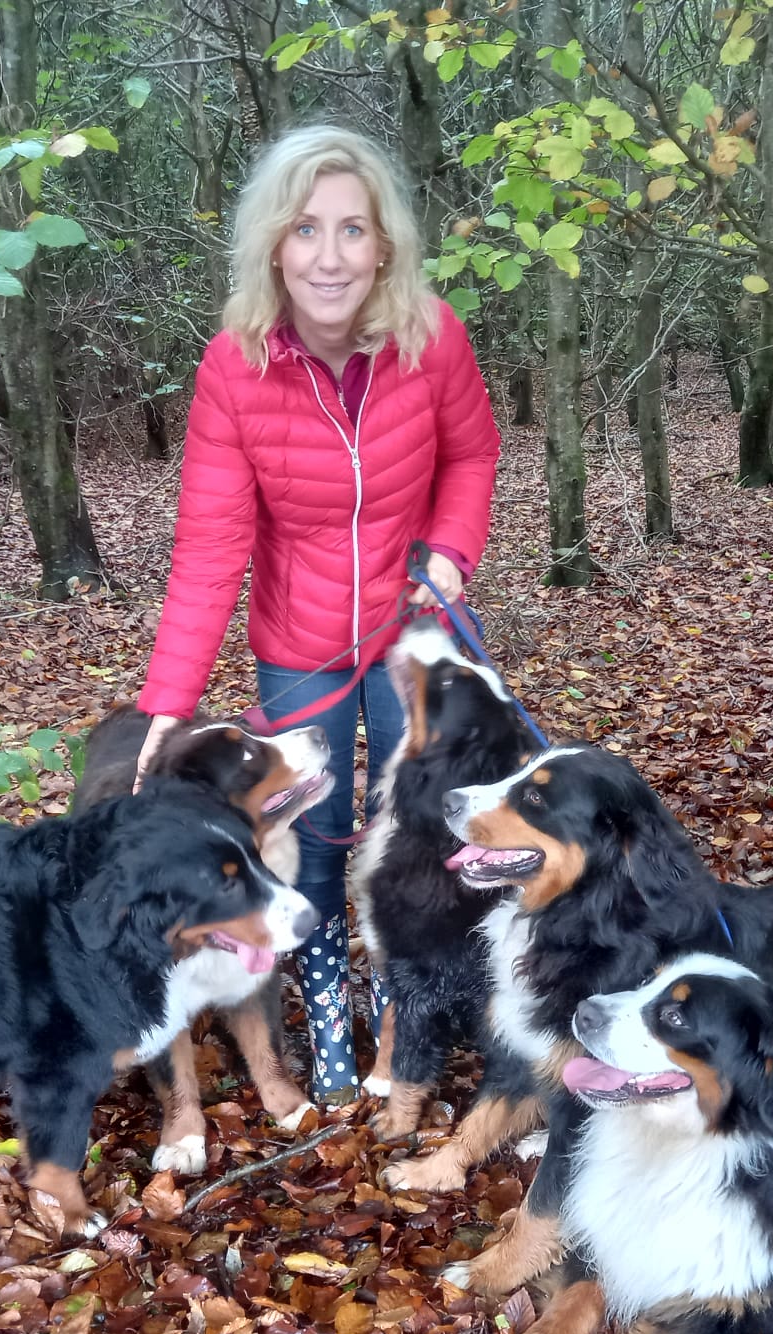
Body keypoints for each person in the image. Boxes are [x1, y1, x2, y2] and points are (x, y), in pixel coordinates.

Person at [133, 124, 501, 1106]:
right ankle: (327, 997)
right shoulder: (234, 366)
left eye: (351, 230)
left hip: (412, 637)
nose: (329, 256)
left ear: (384, 245)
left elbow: (472, 455)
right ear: (272, 245)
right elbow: (210, 547)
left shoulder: (433, 336)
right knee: (314, 832)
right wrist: (167, 703)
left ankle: (403, 1001)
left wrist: (448, 555)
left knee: (417, 824)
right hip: (299, 650)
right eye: (305, 229)